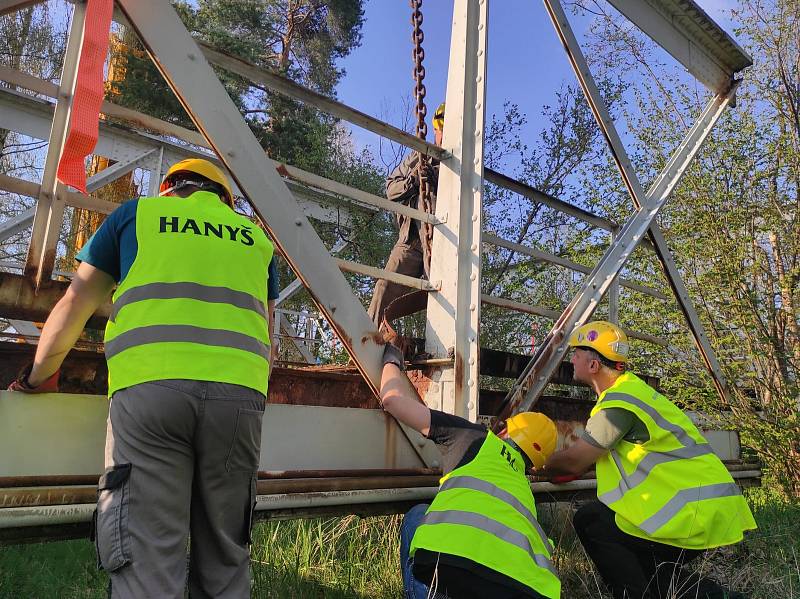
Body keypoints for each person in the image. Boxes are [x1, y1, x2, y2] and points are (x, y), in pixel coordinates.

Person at [8, 158, 279, 599]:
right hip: (239, 402)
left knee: (147, 561)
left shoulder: (138, 215)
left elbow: (74, 305)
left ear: (169, 187)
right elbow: (267, 337)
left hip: (152, 394)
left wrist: (37, 377)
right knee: (226, 560)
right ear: (226, 199)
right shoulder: (257, 241)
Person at [540, 321, 756, 599]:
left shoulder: (619, 404)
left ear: (593, 365)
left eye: (577, 354)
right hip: (703, 511)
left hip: (688, 516)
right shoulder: (634, 392)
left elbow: (574, 461)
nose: (572, 360)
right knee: (646, 565)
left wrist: (538, 462)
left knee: (592, 520)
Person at [380, 343, 562, 599]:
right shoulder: (523, 490)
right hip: (531, 590)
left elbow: (393, 401)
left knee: (417, 515)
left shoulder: (475, 437)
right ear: (533, 463)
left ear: (504, 431)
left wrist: (391, 361)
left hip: (454, 573)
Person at [367, 102, 445, 326]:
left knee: (442, 299)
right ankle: (368, 345)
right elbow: (391, 189)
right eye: (441, 131)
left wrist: (436, 178)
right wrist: (414, 180)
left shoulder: (461, 168)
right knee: (384, 287)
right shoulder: (418, 156)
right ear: (437, 130)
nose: (442, 137)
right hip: (410, 242)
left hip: (441, 246)